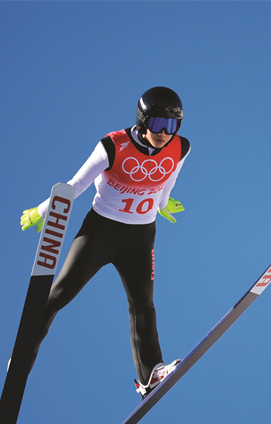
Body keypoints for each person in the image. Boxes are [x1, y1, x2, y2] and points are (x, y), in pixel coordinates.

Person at [19, 86, 190, 399]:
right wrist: (43, 211)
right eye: (158, 126)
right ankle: (23, 357)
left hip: (141, 236)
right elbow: (75, 185)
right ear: (142, 121)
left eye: (172, 126)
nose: (164, 134)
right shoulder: (113, 146)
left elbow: (169, 179)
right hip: (102, 232)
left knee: (143, 305)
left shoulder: (181, 147)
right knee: (58, 294)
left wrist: (163, 203)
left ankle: (150, 375)